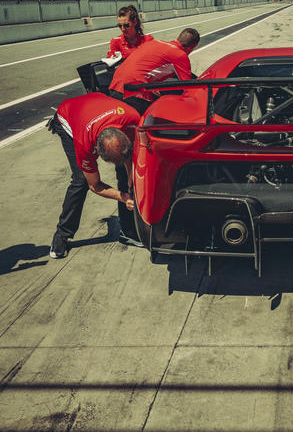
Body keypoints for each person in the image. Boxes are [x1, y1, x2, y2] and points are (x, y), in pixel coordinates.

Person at [48, 94, 141, 258]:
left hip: (95, 105)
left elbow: (131, 156)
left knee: (127, 171)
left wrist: (131, 180)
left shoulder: (133, 118)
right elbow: (95, 185)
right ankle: (62, 235)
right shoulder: (84, 145)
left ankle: (128, 231)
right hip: (67, 115)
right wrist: (124, 197)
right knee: (81, 180)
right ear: (96, 151)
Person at [109, 27, 200, 112]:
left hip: (114, 86)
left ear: (177, 37)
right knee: (166, 113)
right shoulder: (180, 55)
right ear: (192, 47)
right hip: (133, 93)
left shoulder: (154, 42)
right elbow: (189, 88)